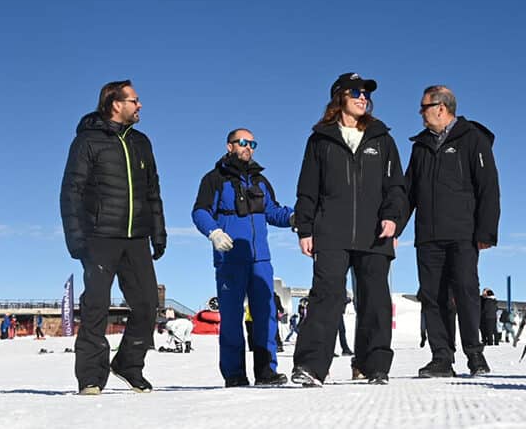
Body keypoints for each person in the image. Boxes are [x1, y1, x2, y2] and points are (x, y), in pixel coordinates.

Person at [291, 73, 407, 387]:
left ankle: (373, 365)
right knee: (326, 296)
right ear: (340, 96)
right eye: (356, 91)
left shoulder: (382, 138)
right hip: (331, 230)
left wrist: (393, 217)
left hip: (375, 232)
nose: (363, 97)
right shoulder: (320, 139)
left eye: (366, 93)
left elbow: (396, 186)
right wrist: (305, 228)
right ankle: (312, 367)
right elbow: (307, 188)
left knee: (375, 299)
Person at [60, 79, 167, 395]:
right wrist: (75, 236)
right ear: (114, 103)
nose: (140, 105)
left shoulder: (142, 142)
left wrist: (158, 232)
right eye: (134, 100)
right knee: (96, 305)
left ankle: (128, 364)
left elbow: (153, 191)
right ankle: (91, 377)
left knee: (148, 306)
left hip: (137, 238)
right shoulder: (87, 142)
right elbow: (72, 191)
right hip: (99, 236)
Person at [405, 85, 500, 378]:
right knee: (433, 297)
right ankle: (441, 358)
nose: (420, 113)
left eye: (424, 107)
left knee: (466, 293)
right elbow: (408, 191)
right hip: (428, 235)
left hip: (463, 233)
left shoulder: (473, 139)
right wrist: (394, 223)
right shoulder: (420, 145)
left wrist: (486, 231)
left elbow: (488, 188)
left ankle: (475, 355)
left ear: (441, 108)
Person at [192, 127, 294, 387]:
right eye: (243, 142)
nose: (248, 147)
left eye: (253, 143)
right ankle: (234, 373)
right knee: (232, 317)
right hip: (230, 259)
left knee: (266, 314)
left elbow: (273, 212)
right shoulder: (214, 179)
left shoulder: (260, 181)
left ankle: (266, 371)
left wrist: (294, 218)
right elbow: (200, 211)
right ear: (230, 146)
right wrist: (213, 232)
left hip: (260, 259)